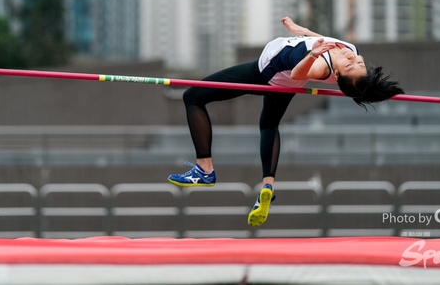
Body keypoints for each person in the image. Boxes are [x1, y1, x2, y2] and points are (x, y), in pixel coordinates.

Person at [168, 17, 404, 227]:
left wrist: (312, 54)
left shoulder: (323, 66)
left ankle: (204, 169)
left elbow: (298, 74)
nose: (353, 58)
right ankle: (268, 185)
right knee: (269, 125)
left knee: (193, 96)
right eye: (359, 63)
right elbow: (323, 40)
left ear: (339, 75)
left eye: (350, 65)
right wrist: (300, 30)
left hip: (267, 72)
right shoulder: (350, 48)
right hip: (284, 83)